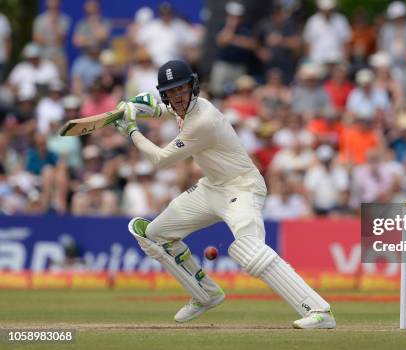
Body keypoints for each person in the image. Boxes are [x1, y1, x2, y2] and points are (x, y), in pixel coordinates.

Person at [112, 60, 335, 328]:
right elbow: (161, 108)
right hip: (212, 187)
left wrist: (132, 130)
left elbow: (161, 160)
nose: (178, 97)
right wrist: (134, 106)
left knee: (249, 251)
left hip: (243, 187)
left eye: (182, 90)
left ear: (193, 87)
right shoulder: (181, 107)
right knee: (154, 236)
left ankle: (319, 312)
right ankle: (205, 294)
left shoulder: (203, 120)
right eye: (171, 92)